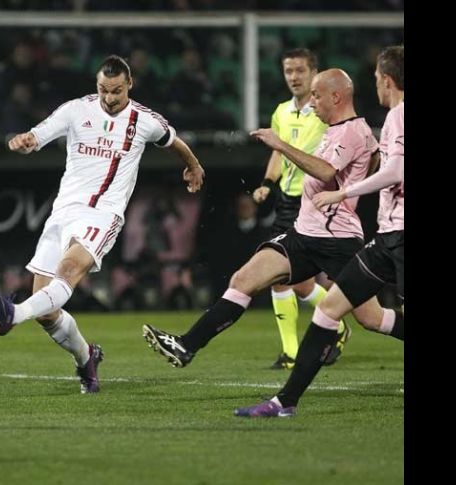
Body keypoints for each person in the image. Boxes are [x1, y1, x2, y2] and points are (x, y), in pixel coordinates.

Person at [0, 55, 205, 394]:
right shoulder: (76, 110)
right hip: (62, 214)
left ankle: (12, 314)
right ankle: (87, 358)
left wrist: (194, 166)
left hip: (103, 214)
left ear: (129, 84)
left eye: (116, 91)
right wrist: (25, 142)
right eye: (103, 90)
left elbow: (173, 141)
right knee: (46, 310)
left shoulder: (144, 120)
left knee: (68, 270)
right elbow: (37, 135)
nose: (109, 98)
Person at [143, 69, 386, 379]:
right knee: (243, 279)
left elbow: (326, 171)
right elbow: (375, 160)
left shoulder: (352, 130)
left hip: (337, 239)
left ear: (336, 96)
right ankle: (185, 345)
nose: (311, 102)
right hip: (303, 233)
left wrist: (281, 144)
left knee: (372, 318)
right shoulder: (341, 130)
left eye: (316, 95)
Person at [234, 45, 404, 418]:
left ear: (387, 80)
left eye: (376, 77)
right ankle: (285, 402)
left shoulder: (398, 117)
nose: (373, 83)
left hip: (398, 234)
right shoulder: (391, 118)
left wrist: (344, 191)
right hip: (388, 235)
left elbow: (394, 172)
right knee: (332, 310)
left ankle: (285, 401)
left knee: (362, 315)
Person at [252, 48, 350, 370]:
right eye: (288, 71)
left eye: (299, 71)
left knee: (296, 277)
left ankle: (334, 323)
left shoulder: (324, 111)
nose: (293, 77)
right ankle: (292, 351)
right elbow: (279, 154)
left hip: (315, 200)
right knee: (279, 277)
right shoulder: (281, 112)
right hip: (286, 200)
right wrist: (268, 181)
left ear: (313, 73)